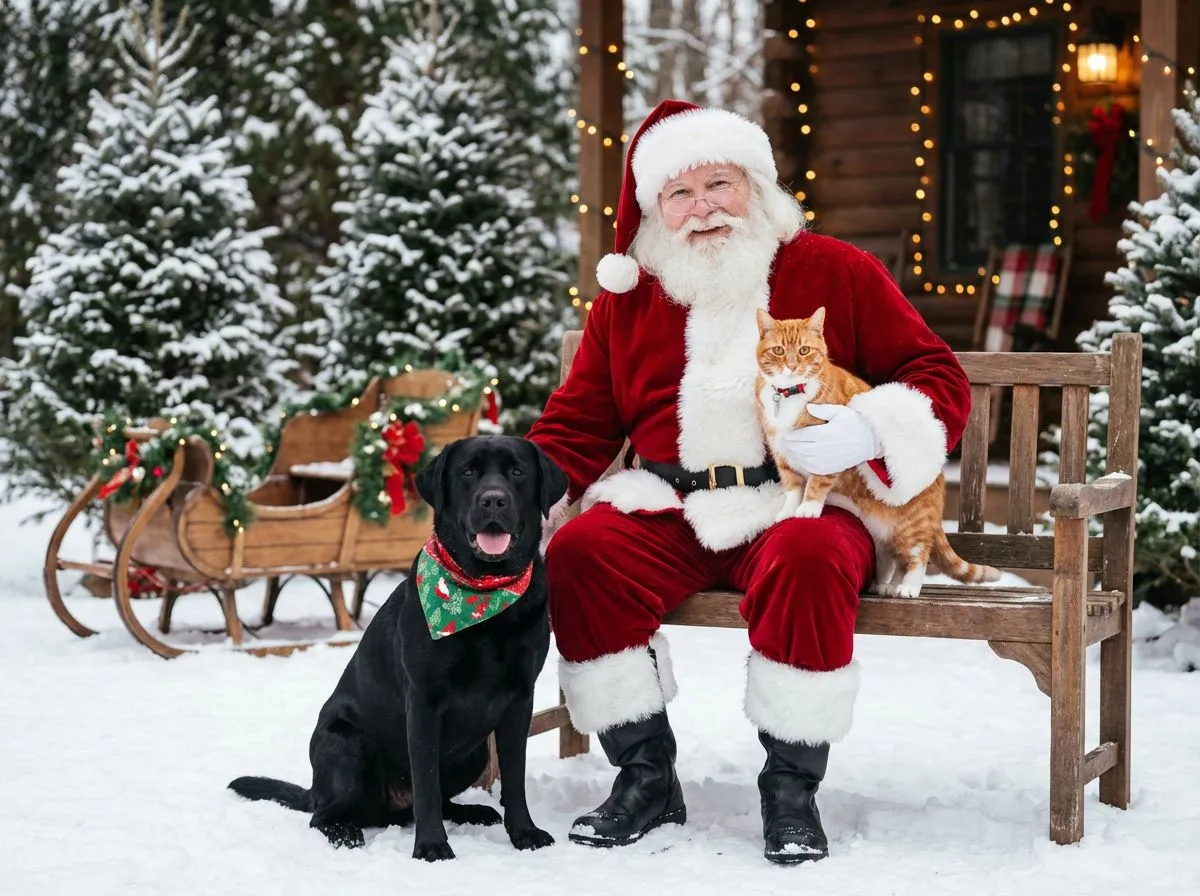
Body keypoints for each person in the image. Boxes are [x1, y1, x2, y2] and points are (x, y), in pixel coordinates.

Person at [524, 99, 971, 864]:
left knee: (810, 558)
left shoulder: (833, 269)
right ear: (656, 211)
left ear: (755, 184)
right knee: (583, 553)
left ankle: (790, 788)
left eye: (718, 185)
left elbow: (936, 374)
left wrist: (869, 430)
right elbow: (578, 421)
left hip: (799, 496)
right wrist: (511, 499)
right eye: (680, 194)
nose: (702, 210)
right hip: (670, 502)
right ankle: (644, 774)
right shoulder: (630, 298)